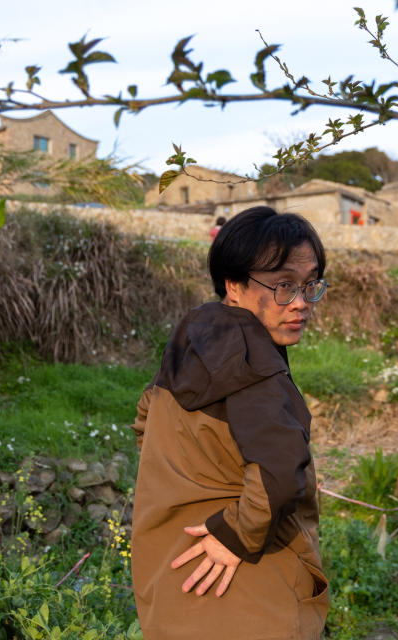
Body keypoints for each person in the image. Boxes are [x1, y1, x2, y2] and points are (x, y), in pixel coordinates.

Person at [130, 206, 330, 639]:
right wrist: (237, 533)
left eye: (309, 284)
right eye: (282, 286)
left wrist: (190, 478)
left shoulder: (197, 332)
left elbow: (146, 419)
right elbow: (279, 473)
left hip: (172, 569)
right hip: (247, 587)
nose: (300, 303)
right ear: (234, 285)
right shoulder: (252, 360)